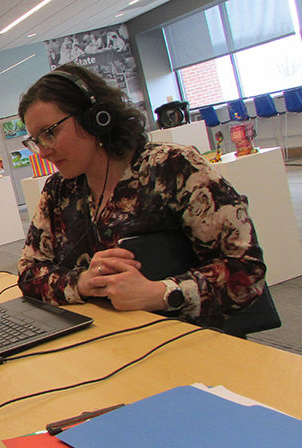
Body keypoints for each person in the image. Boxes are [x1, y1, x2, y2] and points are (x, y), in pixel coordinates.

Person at [16, 63, 266, 329]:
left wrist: (160, 293)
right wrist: (83, 282)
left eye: (50, 132)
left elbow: (247, 271)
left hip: (188, 340)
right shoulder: (59, 190)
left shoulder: (173, 167)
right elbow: (29, 274)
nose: (42, 151)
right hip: (109, 341)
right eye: (36, 140)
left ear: (96, 118)